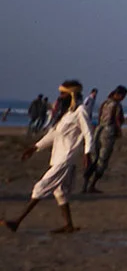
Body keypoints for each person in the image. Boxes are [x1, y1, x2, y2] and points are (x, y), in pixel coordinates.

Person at [8, 81, 88, 236]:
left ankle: (17, 221)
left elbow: (88, 132)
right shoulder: (67, 113)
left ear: (71, 94)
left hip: (66, 158)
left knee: (40, 187)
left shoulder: (80, 111)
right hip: (58, 157)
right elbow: (54, 134)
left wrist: (87, 154)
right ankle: (68, 225)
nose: (60, 96)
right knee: (60, 192)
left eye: (63, 93)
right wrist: (35, 147)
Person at [81, 88, 124, 192]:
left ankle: (85, 185)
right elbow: (117, 119)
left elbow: (100, 116)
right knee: (102, 160)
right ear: (118, 94)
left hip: (99, 130)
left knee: (94, 157)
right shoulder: (116, 105)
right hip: (108, 132)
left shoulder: (105, 103)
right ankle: (92, 185)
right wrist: (119, 131)